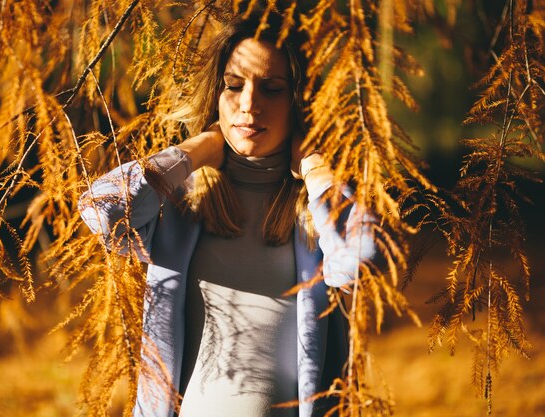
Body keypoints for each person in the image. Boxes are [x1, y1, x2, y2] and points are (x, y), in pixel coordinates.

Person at [78, 11, 375, 417]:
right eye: (234, 87)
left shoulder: (317, 211)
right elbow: (103, 212)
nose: (249, 104)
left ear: (298, 103)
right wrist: (198, 147)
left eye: (271, 89)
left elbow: (362, 257)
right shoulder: (181, 205)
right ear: (216, 95)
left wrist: (314, 165)